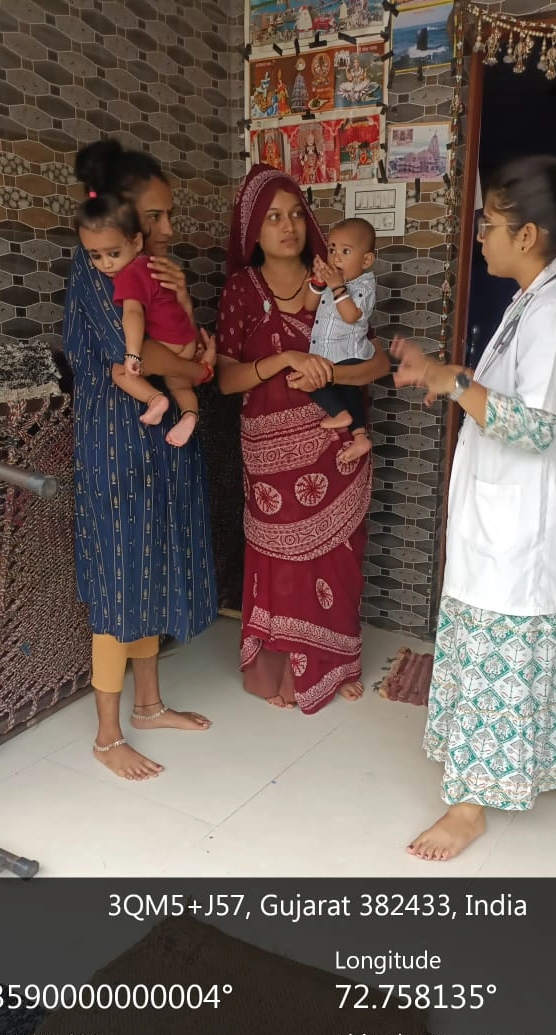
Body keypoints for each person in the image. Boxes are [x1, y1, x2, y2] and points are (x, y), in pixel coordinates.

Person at [392, 155, 556, 861]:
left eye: (489, 224)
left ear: (528, 235)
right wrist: (452, 378)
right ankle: (528, 767)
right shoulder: (535, 301)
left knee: (503, 653)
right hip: (516, 522)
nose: (480, 236)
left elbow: (532, 426)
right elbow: (511, 400)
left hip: (527, 534)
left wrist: (452, 382)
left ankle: (469, 808)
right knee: (507, 650)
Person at [64, 138, 218, 781]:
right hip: (115, 446)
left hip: (157, 441)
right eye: (156, 216)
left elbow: (185, 341)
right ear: (123, 215)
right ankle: (107, 737)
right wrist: (198, 370)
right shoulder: (94, 273)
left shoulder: (150, 271)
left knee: (149, 568)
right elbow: (145, 358)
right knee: (118, 581)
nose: (168, 229)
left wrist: (186, 311)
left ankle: (150, 705)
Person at [216, 164, 390, 713]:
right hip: (270, 454)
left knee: (337, 558)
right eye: (272, 217)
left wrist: (331, 372)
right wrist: (283, 360)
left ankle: (335, 663)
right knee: (281, 561)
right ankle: (282, 669)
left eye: (295, 214)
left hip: (337, 445)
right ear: (252, 230)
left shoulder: (337, 275)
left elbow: (377, 361)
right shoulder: (242, 291)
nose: (287, 226)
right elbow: (226, 379)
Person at [75, 192, 204, 448]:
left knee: (119, 372)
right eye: (95, 256)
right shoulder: (151, 264)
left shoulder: (130, 275)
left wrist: (133, 354)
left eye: (113, 253)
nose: (106, 264)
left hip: (165, 344)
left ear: (136, 242)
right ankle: (190, 416)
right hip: (186, 341)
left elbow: (133, 314)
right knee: (180, 386)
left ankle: (155, 399)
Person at [303, 217, 376, 463]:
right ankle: (360, 436)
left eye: (345, 251)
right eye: (332, 249)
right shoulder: (332, 281)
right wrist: (318, 282)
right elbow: (308, 305)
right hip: (328, 353)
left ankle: (339, 413)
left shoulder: (364, 285)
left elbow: (351, 315)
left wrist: (337, 287)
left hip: (348, 352)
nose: (335, 258)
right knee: (348, 392)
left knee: (312, 382)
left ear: (365, 260)